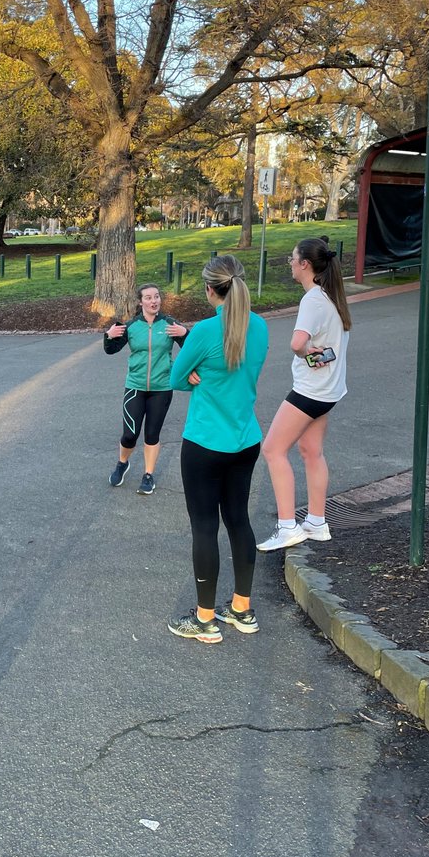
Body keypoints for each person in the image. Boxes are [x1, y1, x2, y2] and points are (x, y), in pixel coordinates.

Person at [167, 255, 269, 642]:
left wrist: (196, 377)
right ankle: (242, 609)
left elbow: (176, 378)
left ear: (210, 289)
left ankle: (205, 618)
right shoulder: (260, 328)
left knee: (205, 526)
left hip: (206, 442)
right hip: (246, 440)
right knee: (238, 519)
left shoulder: (205, 332)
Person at [257, 237, 352, 552]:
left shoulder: (313, 300)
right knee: (311, 451)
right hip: (328, 390)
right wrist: (314, 351)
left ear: (305, 265)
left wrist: (306, 350)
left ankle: (287, 527)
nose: (290, 264)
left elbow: (297, 343)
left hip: (311, 391)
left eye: (292, 259)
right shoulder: (330, 297)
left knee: (272, 449)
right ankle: (316, 521)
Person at [103, 284, 189, 493]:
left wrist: (186, 333)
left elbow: (192, 350)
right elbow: (110, 350)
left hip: (162, 388)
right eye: (149, 298)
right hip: (135, 387)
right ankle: (122, 463)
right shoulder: (131, 326)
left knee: (152, 434)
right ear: (140, 302)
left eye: (157, 297)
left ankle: (148, 475)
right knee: (130, 435)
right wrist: (108, 335)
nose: (154, 301)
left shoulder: (170, 324)